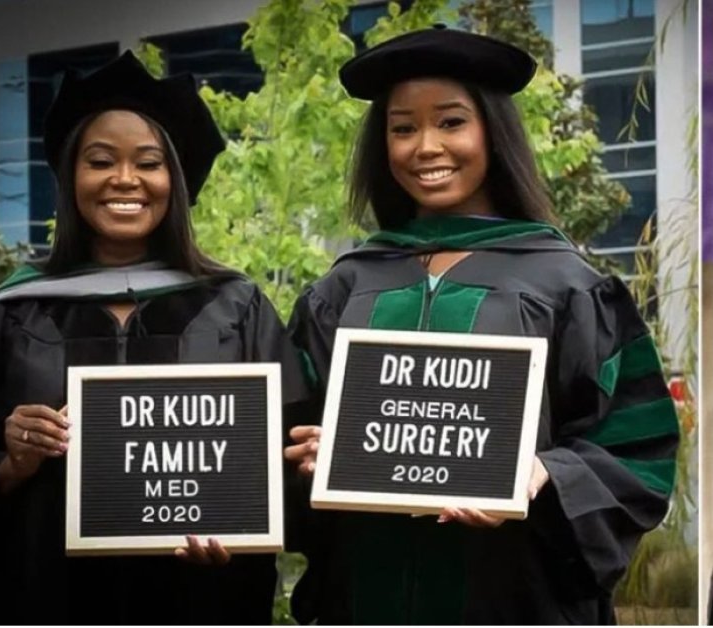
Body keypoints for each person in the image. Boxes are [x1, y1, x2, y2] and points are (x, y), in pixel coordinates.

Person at [284, 27, 679, 625]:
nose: (425, 146)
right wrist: (311, 453)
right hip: (366, 598)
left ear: (493, 132)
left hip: (515, 598)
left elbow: (638, 452)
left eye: (450, 122)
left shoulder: (567, 284)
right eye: (402, 127)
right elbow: (283, 447)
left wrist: (547, 471)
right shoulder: (343, 288)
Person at [0, 51, 306, 624]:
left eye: (148, 163)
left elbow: (290, 461)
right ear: (72, 177)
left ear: (175, 180)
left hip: (195, 600)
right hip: (44, 600)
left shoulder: (236, 306)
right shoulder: (10, 314)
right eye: (100, 161)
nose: (124, 180)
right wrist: (8, 464)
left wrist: (241, 522)